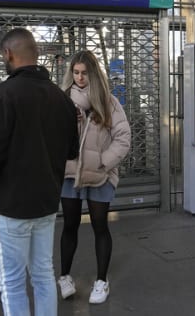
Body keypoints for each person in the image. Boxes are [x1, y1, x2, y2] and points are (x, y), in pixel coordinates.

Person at [0, 28, 79, 316]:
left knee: (12, 283)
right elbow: (72, 151)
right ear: (37, 54)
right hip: (46, 204)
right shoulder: (61, 98)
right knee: (44, 275)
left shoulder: (2, 96)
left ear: (8, 54)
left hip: (8, 207)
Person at [57, 50, 131, 304]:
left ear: (94, 74)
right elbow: (51, 135)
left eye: (84, 73)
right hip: (70, 175)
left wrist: (103, 162)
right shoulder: (63, 100)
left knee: (100, 225)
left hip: (99, 175)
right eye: (75, 73)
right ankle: (64, 276)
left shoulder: (108, 102)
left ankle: (102, 281)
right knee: (69, 225)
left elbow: (123, 138)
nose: (79, 78)